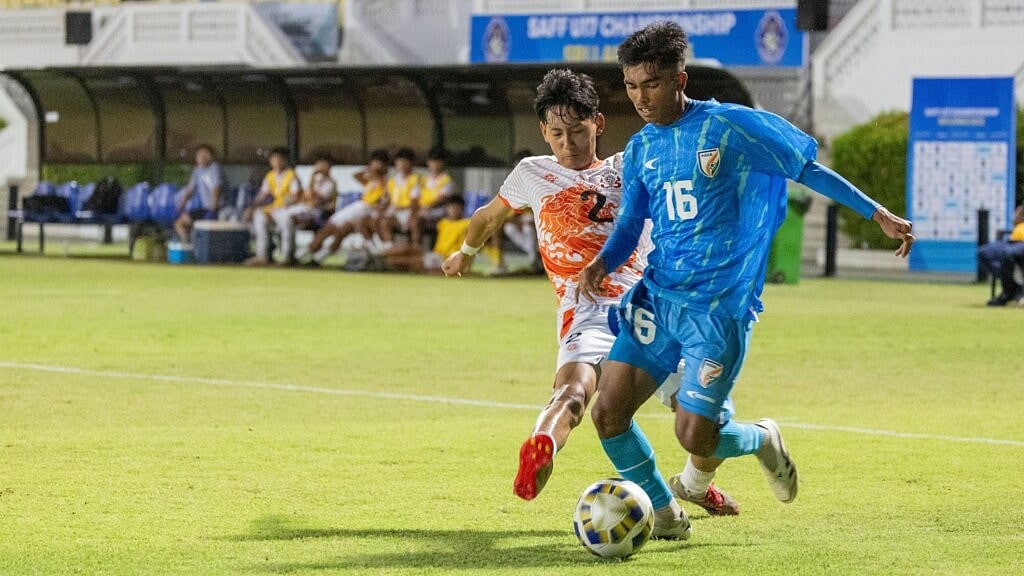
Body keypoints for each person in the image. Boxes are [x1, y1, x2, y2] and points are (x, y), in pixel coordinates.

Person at [578, 21, 916, 523]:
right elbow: (630, 223)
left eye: (651, 84)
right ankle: (665, 513)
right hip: (659, 299)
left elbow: (803, 167)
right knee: (608, 414)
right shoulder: (643, 148)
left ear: (679, 80)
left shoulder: (728, 126)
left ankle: (761, 439)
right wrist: (603, 261)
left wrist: (876, 212)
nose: (641, 98)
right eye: (631, 86)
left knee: (695, 435)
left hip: (718, 310)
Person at [441, 68, 693, 540]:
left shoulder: (630, 163)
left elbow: (485, 219)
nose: (568, 143)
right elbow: (486, 218)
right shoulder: (531, 173)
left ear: (598, 123)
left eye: (577, 130)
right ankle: (543, 444)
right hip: (592, 308)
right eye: (557, 133)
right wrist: (466, 253)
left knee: (693, 414)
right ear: (543, 131)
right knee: (572, 394)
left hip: (647, 304)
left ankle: (698, 484)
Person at [299, 149, 391, 267]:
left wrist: (378, 173)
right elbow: (356, 175)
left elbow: (384, 200)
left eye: (377, 163)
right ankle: (313, 256)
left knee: (334, 228)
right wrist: (370, 170)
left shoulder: (386, 181)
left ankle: (306, 256)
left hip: (367, 210)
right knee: (336, 231)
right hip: (359, 209)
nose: (374, 166)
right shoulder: (371, 180)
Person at [244, 148, 302, 266]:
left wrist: (282, 206)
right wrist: (252, 207)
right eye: (274, 159)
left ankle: (286, 257)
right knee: (259, 217)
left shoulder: (291, 175)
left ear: (285, 160)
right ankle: (262, 256)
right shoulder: (270, 175)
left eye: (279, 159)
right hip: (275, 208)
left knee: (285, 221)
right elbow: (263, 194)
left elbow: (295, 196)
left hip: (288, 209)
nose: (277, 162)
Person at [387, 196, 470, 273]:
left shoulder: (466, 224)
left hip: (448, 258)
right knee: (407, 249)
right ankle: (383, 257)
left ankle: (386, 264)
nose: (452, 210)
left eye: (455, 208)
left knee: (409, 261)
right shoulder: (443, 222)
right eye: (450, 207)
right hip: (436, 254)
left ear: (461, 209)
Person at [174, 144, 223, 243]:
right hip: (206, 209)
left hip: (219, 209)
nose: (201, 157)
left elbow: (216, 189)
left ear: (211, 156)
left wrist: (213, 210)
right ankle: (187, 245)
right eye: (199, 155)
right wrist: (180, 207)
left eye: (205, 154)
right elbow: (190, 190)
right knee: (180, 223)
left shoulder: (215, 168)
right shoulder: (197, 171)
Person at [378, 148, 424, 251]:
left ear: (411, 163)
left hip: (410, 211)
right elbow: (387, 198)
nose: (402, 165)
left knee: (415, 223)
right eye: (399, 162)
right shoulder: (393, 180)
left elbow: (415, 201)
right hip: (395, 212)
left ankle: (416, 250)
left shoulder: (416, 179)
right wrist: (383, 207)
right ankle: (390, 249)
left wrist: (411, 214)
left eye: (405, 162)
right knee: (383, 222)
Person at [978, 204, 1024, 306]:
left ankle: (1009, 292)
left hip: (1020, 244)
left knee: (1008, 253)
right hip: (1012, 241)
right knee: (984, 252)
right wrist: (1019, 214)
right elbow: (1016, 218)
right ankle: (1012, 286)